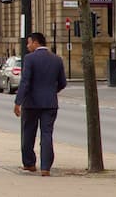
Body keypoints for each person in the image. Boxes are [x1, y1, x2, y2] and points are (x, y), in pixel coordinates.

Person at [14, 32, 67, 177]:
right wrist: (52, 91)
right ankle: (45, 167)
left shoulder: (29, 59)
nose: (27, 45)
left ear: (36, 43)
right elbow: (63, 82)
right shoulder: (57, 59)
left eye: (29, 42)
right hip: (50, 103)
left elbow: (25, 82)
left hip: (31, 103)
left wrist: (18, 101)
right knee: (47, 134)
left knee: (28, 133)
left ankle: (29, 163)